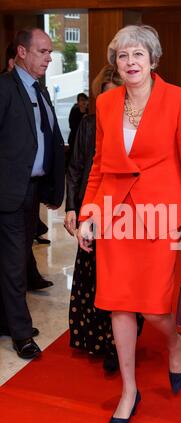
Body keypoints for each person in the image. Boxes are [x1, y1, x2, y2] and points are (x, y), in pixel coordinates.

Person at [77, 25, 181, 423]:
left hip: (160, 217)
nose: (130, 62)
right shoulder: (106, 102)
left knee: (153, 307)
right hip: (116, 217)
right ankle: (129, 390)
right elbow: (99, 165)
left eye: (137, 54)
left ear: (153, 59)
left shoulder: (179, 99)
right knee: (119, 304)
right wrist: (87, 214)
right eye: (122, 56)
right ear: (115, 63)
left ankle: (174, 342)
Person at [65, 65, 144, 372]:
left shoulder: (138, 125)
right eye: (107, 95)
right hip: (94, 208)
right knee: (94, 278)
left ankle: (119, 344)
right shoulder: (88, 124)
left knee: (124, 279)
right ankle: (96, 338)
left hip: (127, 211)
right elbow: (76, 167)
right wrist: (73, 207)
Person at [0, 28, 65, 358]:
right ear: (22, 53)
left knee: (17, 259)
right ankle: (21, 334)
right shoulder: (5, 88)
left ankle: (6, 320)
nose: (49, 58)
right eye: (43, 51)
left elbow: (48, 139)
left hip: (32, 190)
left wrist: (54, 188)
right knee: (14, 264)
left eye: (50, 52)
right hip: (9, 193)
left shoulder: (40, 91)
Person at [67, 92, 89, 163]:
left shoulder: (89, 110)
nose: (83, 102)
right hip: (74, 138)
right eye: (81, 100)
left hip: (85, 139)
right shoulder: (75, 109)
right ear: (78, 102)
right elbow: (72, 125)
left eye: (85, 100)